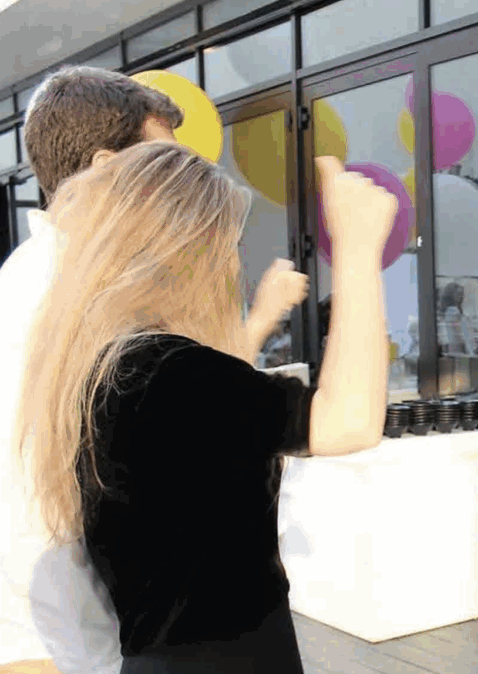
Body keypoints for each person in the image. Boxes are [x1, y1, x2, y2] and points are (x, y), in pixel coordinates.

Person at [14, 148, 395, 674]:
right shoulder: (164, 371)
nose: (234, 265)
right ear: (186, 254)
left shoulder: (114, 368)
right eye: (229, 246)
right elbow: (350, 420)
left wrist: (262, 316)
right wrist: (356, 250)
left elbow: (213, 412)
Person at [0, 65, 278, 674]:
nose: (175, 184)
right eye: (160, 163)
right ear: (107, 169)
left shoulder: (30, 273)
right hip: (69, 639)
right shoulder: (82, 293)